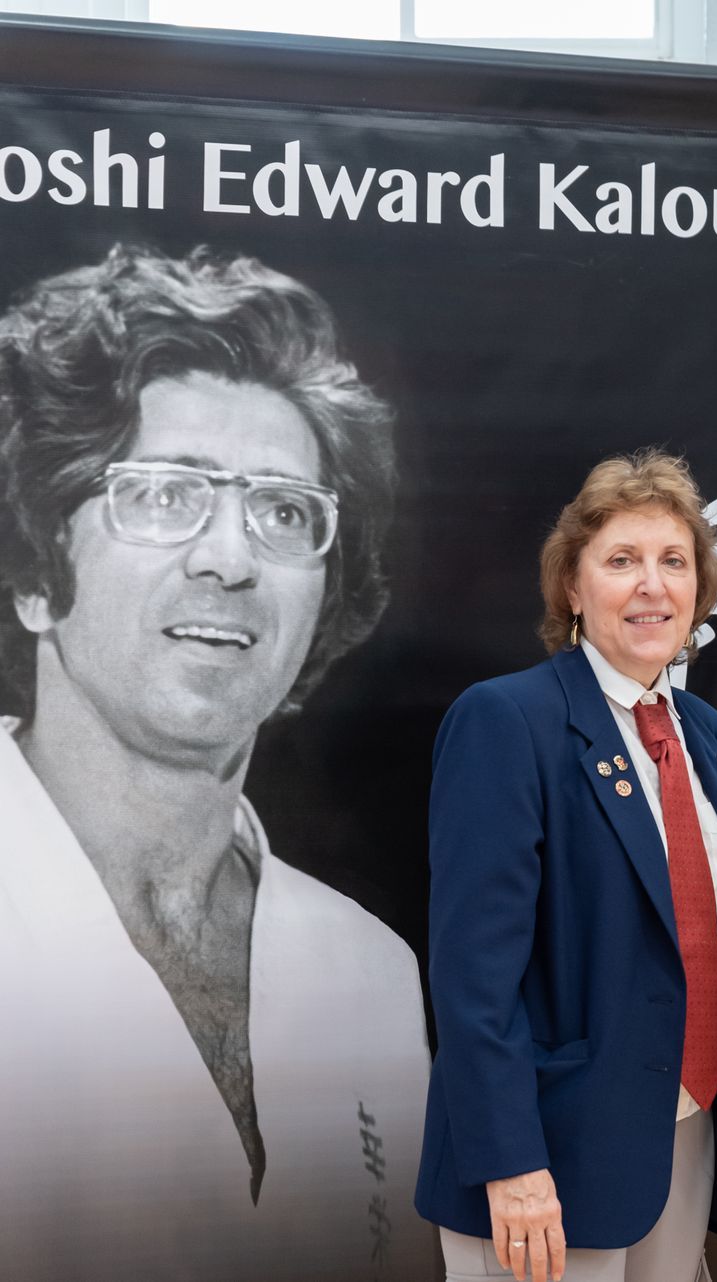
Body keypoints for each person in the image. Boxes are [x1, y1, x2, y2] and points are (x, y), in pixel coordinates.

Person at [0, 244, 432, 1278]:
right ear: (33, 571)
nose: (231, 560)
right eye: (163, 495)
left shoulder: (370, 971)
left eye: (284, 513)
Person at [414, 450, 717, 1282]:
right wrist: (511, 1164)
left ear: (700, 590)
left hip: (684, 1139)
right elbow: (474, 977)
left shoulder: (711, 738)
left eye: (674, 562)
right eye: (621, 561)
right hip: (545, 1159)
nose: (652, 585)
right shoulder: (508, 721)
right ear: (573, 590)